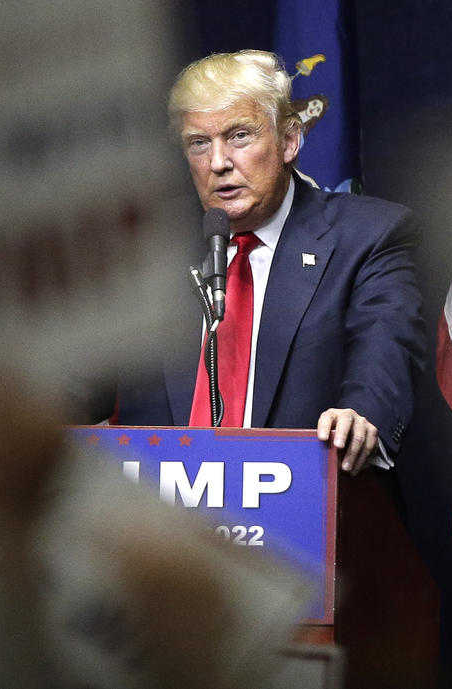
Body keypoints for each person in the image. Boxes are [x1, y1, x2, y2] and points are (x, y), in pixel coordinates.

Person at [115, 49, 424, 474]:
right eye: (199, 143)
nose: (219, 163)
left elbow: (384, 356)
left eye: (239, 136)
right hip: (162, 529)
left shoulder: (369, 237)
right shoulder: (150, 247)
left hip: (305, 516)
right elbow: (74, 382)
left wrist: (360, 416)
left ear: (289, 141)